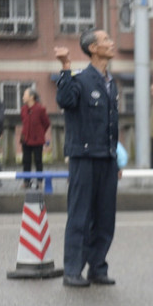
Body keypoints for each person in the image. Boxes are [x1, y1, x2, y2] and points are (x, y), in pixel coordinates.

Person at [54, 28, 119, 288]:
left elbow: (112, 124)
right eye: (106, 40)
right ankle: (72, 270)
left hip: (107, 158)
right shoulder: (80, 80)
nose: (111, 43)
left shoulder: (110, 82)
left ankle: (97, 267)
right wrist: (65, 66)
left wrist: (116, 158)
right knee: (80, 215)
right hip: (83, 157)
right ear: (93, 48)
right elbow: (64, 99)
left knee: (105, 217)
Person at [19, 88, 51, 189]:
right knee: (26, 160)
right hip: (26, 139)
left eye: (25, 95)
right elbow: (24, 122)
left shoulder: (40, 109)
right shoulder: (23, 109)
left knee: (38, 160)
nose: (23, 97)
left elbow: (46, 123)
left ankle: (40, 180)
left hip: (37, 139)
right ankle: (26, 181)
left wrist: (40, 133)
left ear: (32, 97)